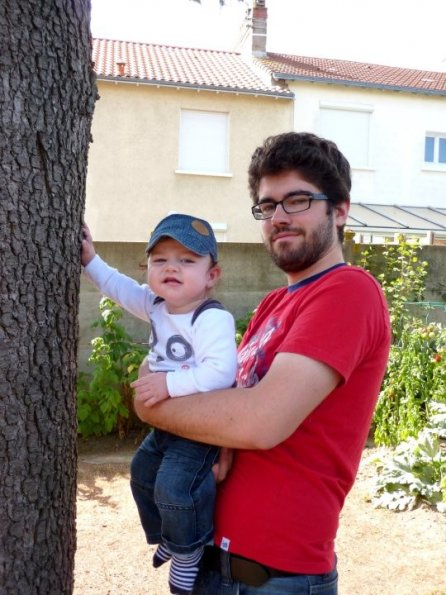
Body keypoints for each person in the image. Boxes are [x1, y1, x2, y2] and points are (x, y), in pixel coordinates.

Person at [130, 132, 391, 595]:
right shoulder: (273, 304)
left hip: (273, 578)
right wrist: (216, 422)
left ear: (340, 210)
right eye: (268, 206)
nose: (279, 217)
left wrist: (152, 402)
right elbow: (222, 399)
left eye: (297, 200)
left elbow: (259, 422)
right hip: (215, 561)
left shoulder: (348, 291)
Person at [81, 214, 238, 595]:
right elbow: (119, 288)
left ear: (211, 275)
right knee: (142, 474)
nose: (171, 267)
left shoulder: (211, 317)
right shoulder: (156, 305)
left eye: (186, 260)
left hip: (200, 428)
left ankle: (189, 549)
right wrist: (90, 260)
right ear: (148, 268)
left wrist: (168, 383)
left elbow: (221, 372)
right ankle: (170, 536)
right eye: (160, 259)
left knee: (174, 488)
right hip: (168, 425)